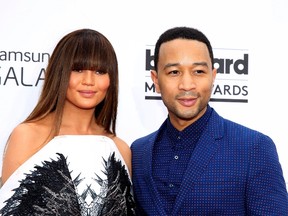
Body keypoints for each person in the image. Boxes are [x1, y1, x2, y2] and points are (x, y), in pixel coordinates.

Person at [131, 26, 288, 215]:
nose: (187, 85)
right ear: (156, 80)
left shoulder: (254, 148)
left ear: (213, 77)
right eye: (174, 72)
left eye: (198, 71)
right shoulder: (138, 153)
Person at [0, 28, 137, 215]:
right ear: (60, 73)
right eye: (78, 69)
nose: (88, 81)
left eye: (99, 71)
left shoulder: (119, 148)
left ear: (110, 79)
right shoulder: (28, 136)